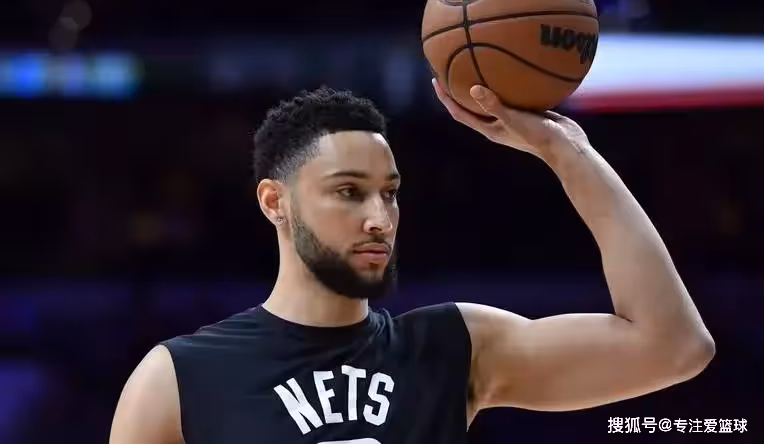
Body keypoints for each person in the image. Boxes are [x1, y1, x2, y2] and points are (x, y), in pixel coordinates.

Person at [109, 83, 715, 444]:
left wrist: (568, 154)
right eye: (349, 192)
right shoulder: (177, 378)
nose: (380, 218)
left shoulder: (454, 347)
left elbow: (675, 346)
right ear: (275, 202)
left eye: (390, 193)